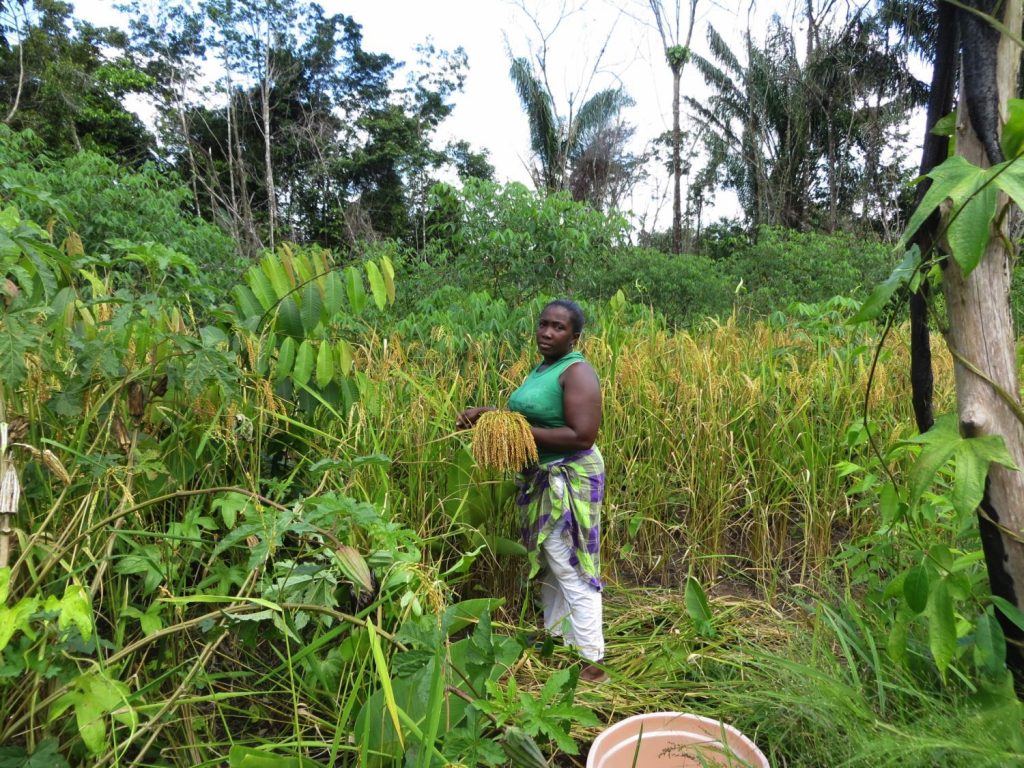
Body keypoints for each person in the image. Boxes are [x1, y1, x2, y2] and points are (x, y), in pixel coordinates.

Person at [457, 299, 607, 683]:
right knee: (553, 568)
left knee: (571, 565)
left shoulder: (577, 372)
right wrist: (487, 415)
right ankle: (560, 643)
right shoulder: (543, 369)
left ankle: (591, 663)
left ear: (575, 336)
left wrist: (509, 430)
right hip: (542, 475)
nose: (547, 332)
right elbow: (529, 417)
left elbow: (582, 434)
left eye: (558, 327)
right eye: (543, 324)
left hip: (568, 477)